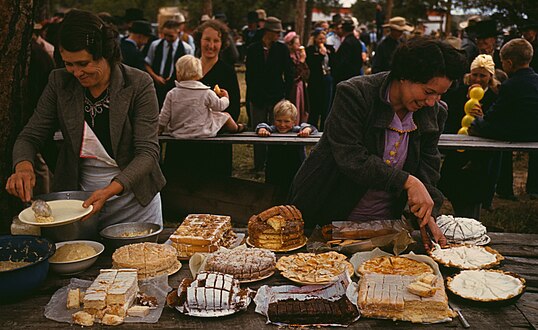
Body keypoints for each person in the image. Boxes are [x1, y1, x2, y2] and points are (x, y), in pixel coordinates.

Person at [289, 37, 468, 249]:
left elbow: (428, 168)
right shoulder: (354, 94)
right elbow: (351, 157)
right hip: (328, 214)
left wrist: (427, 213)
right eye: (428, 91)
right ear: (403, 76)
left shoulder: (434, 112)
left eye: (440, 94)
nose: (431, 102)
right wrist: (408, 181)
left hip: (384, 226)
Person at [6, 9, 165, 228]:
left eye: (83, 64)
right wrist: (23, 166)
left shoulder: (138, 84)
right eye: (69, 64)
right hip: (80, 204)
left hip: (134, 201)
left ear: (105, 54)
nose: (76, 72)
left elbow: (148, 152)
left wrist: (110, 190)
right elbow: (30, 135)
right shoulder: (59, 82)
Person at [439, 54, 501, 218]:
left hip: (480, 159)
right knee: (453, 188)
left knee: (473, 197)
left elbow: (495, 126)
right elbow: (449, 120)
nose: (478, 79)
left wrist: (482, 119)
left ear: (490, 77)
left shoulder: (495, 98)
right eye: (475, 74)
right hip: (457, 153)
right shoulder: (457, 93)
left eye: (483, 75)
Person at [245, 16, 294, 172]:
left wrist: (285, 93)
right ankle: (259, 165)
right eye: (276, 32)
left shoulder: (282, 49)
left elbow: (289, 72)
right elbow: (249, 75)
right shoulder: (252, 49)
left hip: (276, 96)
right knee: (258, 131)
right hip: (258, 97)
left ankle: (275, 164)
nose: (278, 35)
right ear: (268, 31)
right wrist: (252, 94)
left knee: (278, 130)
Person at [159, 55, 244, 138]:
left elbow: (164, 115)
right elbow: (219, 106)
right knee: (225, 115)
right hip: (203, 131)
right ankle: (236, 128)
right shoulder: (206, 92)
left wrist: (160, 128)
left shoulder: (172, 93)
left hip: (179, 132)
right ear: (199, 73)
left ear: (178, 73)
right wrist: (225, 98)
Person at [256, 100, 317, 197]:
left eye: (286, 121)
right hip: (274, 168)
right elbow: (261, 125)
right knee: (273, 191)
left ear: (294, 122)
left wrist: (307, 130)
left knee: (294, 190)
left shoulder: (297, 130)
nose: (282, 125)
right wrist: (262, 130)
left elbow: (311, 127)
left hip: (295, 167)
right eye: (279, 121)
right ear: (274, 119)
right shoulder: (273, 130)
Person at [145, 20, 191, 107]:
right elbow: (147, 64)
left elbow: (188, 70)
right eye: (164, 35)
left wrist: (174, 77)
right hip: (157, 83)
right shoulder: (155, 45)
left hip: (176, 86)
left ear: (178, 33)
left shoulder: (186, 49)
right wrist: (155, 77)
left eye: (170, 36)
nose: (167, 38)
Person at [306, 28, 335, 131]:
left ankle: (324, 129)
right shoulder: (310, 50)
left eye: (323, 38)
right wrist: (320, 56)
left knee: (326, 106)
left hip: (327, 78)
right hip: (315, 80)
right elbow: (311, 64)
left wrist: (328, 53)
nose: (322, 41)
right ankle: (311, 128)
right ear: (314, 39)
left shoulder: (330, 48)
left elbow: (334, 62)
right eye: (319, 39)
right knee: (315, 106)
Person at [284, 31, 310, 125]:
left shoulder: (298, 55)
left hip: (301, 86)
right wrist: (301, 62)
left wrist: (303, 61)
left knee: (302, 108)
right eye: (297, 43)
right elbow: (293, 74)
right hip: (293, 87)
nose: (299, 45)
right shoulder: (288, 57)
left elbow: (306, 73)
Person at [332, 17, 363, 86]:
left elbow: (343, 62)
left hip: (346, 78)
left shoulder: (347, 43)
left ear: (343, 29)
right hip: (354, 76)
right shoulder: (356, 41)